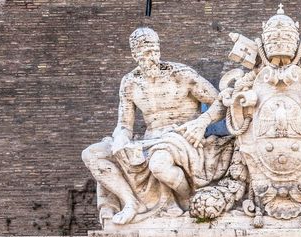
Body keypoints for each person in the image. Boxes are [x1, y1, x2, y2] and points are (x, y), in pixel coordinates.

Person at [82, 27, 232, 225]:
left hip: (180, 137)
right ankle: (130, 203)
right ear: (135, 55)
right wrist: (121, 138)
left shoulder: (182, 75)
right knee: (92, 154)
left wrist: (201, 122)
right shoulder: (129, 83)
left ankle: (187, 200)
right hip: (148, 140)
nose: (152, 57)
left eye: (154, 51)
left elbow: (221, 102)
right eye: (146, 53)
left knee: (159, 165)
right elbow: (124, 124)